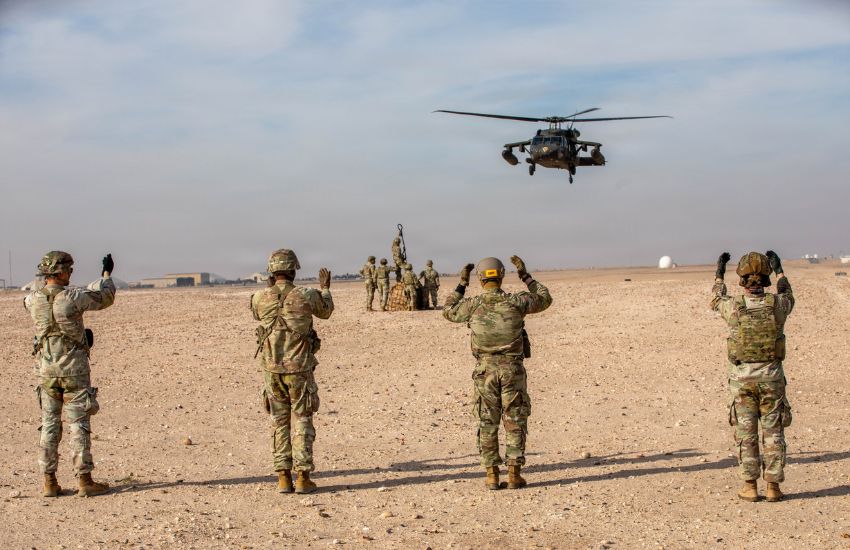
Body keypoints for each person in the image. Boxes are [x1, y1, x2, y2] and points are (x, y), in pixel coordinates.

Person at [443, 256, 552, 490]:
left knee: (487, 421)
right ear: (501, 276)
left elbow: (448, 310)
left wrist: (462, 284)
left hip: (485, 372)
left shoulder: (472, 305)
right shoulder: (516, 302)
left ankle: (491, 475)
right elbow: (545, 298)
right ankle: (514, 474)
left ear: (480, 279)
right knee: (515, 420)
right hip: (513, 371)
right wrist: (525, 276)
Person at [25, 251, 116, 497]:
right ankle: (85, 480)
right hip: (73, 371)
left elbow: (29, 302)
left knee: (49, 425)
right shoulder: (72, 297)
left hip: (46, 372)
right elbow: (105, 297)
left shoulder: (33, 300)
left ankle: (49, 482)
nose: (71, 274)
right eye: (69, 270)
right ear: (62, 272)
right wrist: (106, 275)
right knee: (79, 424)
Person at [711, 251, 794, 502]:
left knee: (746, 435)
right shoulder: (777, 305)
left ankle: (749, 486)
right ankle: (773, 487)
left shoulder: (733, 307)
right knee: (773, 433)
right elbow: (788, 295)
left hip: (742, 382)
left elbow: (716, 299)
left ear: (742, 279)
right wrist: (781, 272)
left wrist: (719, 274)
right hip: (771, 380)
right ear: (766, 278)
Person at [251, 249, 333, 494]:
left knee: (279, 422)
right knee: (303, 419)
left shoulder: (259, 297)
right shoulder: (306, 294)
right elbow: (326, 311)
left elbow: (257, 313)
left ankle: (283, 477)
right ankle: (303, 477)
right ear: (293, 270)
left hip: (272, 370)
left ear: (271, 271)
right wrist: (325, 288)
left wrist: (272, 291)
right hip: (299, 369)